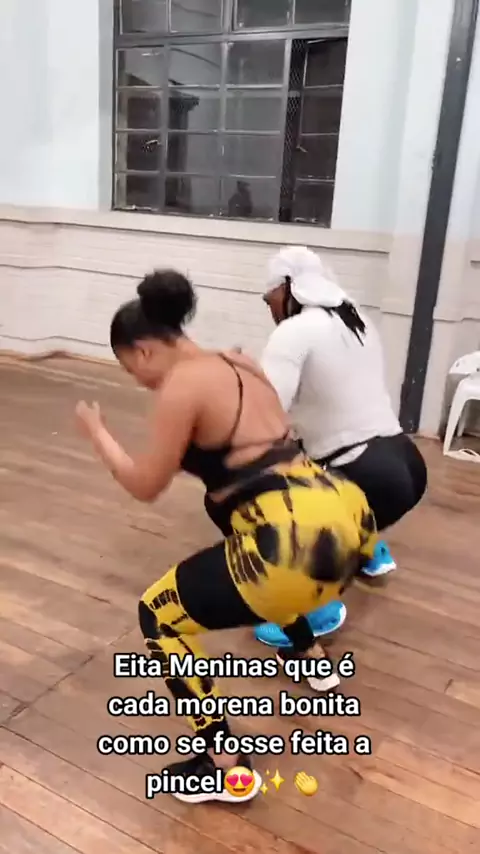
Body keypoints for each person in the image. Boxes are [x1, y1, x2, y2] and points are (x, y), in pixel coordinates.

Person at [75, 268, 378, 804]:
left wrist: (99, 435)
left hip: (290, 546)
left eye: (130, 368)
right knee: (240, 535)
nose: (138, 381)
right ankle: (310, 658)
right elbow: (256, 454)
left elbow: (145, 485)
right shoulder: (241, 362)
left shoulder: (181, 387)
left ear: (144, 350)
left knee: (158, 615)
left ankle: (221, 763)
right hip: (348, 523)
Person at [247, 247, 427, 650]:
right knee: (313, 462)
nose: (269, 307)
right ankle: (369, 549)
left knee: (267, 495)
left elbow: (267, 413)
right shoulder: (355, 317)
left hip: (364, 473)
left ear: (288, 288)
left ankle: (317, 611)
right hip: (406, 464)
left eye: (269, 298)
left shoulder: (293, 332)